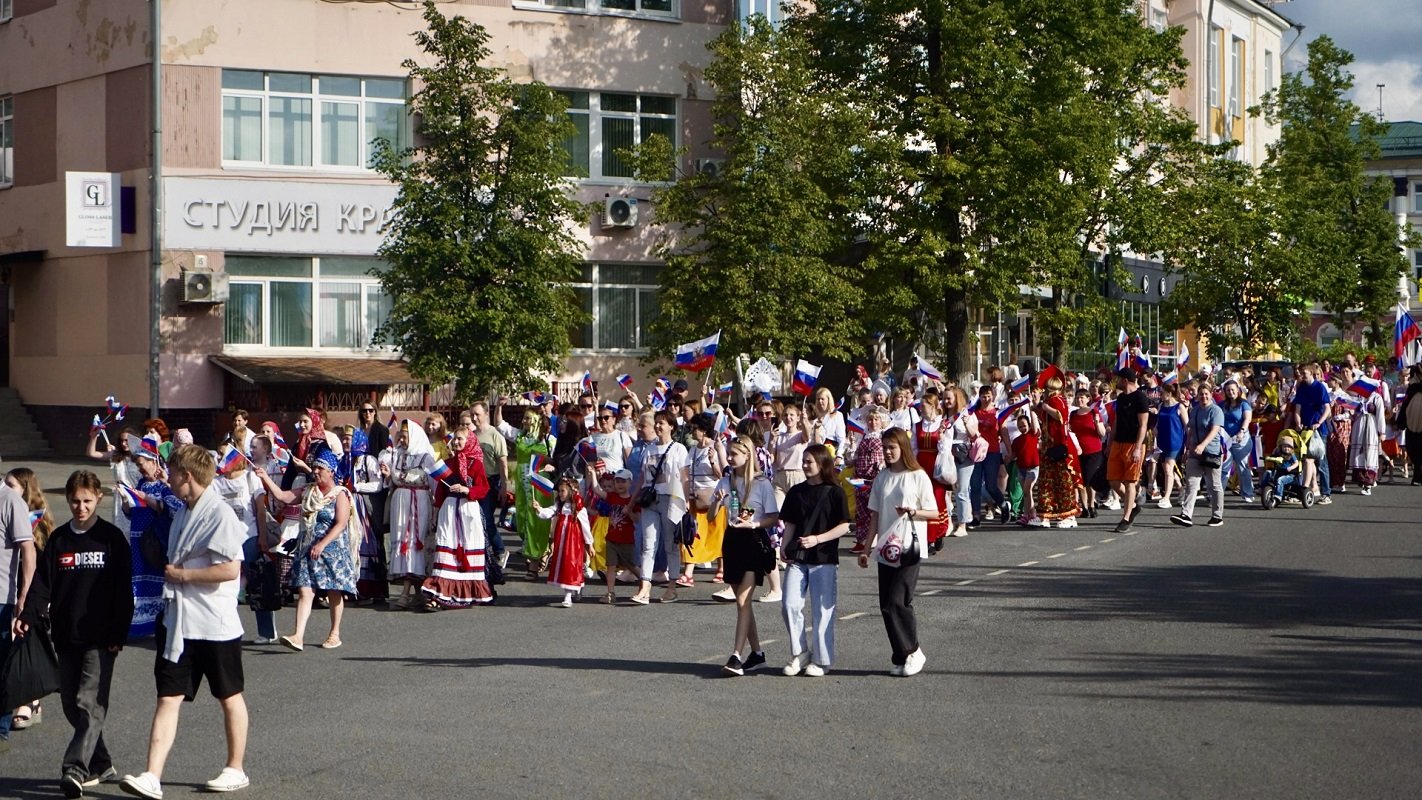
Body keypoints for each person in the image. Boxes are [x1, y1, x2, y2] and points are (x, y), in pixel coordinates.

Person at [120, 446, 250, 798]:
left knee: (229, 695)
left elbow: (231, 569)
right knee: (168, 696)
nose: (168, 477)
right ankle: (152, 775)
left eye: (172, 473)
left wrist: (182, 575)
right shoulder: (183, 513)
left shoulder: (219, 514)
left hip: (215, 624)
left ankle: (235, 768)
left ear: (186, 476)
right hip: (178, 621)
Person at [15, 471, 128, 796]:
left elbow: (123, 591)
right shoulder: (61, 539)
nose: (81, 507)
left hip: (101, 636)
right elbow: (43, 583)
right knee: (69, 704)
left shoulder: (111, 539)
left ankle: (74, 768)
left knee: (88, 701)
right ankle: (101, 762)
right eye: (75, 502)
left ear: (98, 499)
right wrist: (29, 614)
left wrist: (118, 631)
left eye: (87, 501)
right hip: (66, 634)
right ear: (68, 500)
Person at [258, 449, 358, 650]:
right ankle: (298, 635)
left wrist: (323, 544)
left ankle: (334, 633)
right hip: (307, 547)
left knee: (333, 591)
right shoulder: (308, 490)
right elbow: (284, 497)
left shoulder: (340, 494)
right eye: (314, 468)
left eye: (320, 468)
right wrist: (265, 478)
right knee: (305, 590)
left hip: (332, 550)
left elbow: (340, 524)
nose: (316, 471)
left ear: (331, 471)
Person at [859, 427, 936, 677]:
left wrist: (913, 512)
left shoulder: (917, 476)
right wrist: (866, 547)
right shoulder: (882, 477)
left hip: (909, 547)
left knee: (898, 601)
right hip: (886, 548)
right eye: (885, 448)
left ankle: (914, 650)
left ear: (902, 447)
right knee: (885, 605)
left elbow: (933, 512)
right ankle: (902, 654)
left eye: (892, 447)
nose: (888, 452)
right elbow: (875, 515)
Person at [709, 437, 780, 676]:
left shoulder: (761, 484)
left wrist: (754, 523)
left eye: (734, 454)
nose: (729, 458)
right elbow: (710, 517)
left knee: (742, 601)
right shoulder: (724, 481)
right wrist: (716, 504)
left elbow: (773, 517)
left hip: (753, 540)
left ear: (747, 455)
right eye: (728, 453)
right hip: (732, 541)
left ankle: (736, 656)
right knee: (744, 604)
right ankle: (757, 653)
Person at [779, 444, 849, 677]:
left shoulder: (835, 492)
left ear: (822, 464)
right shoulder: (796, 491)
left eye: (810, 461)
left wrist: (818, 539)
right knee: (789, 605)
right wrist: (783, 546)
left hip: (824, 559)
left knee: (822, 610)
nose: (805, 465)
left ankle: (822, 659)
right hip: (798, 557)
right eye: (804, 461)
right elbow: (789, 523)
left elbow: (844, 526)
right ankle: (800, 652)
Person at [419, 426, 495, 610]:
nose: (457, 442)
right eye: (455, 439)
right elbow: (441, 490)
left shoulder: (475, 464)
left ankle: (468, 591)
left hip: (468, 509)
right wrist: (436, 512)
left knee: (468, 544)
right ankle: (440, 593)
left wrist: (467, 490)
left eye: (461, 439)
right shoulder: (448, 463)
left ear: (469, 441)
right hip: (450, 509)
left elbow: (483, 488)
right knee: (446, 544)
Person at [121, 434, 184, 640]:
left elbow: (170, 508)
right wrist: (126, 501)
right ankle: (139, 621)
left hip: (156, 540)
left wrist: (145, 499)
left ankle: (157, 619)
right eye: (138, 464)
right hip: (138, 539)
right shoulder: (140, 482)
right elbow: (131, 512)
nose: (139, 468)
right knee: (137, 577)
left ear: (152, 461)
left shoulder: (163, 483)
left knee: (155, 576)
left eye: (142, 464)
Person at [212, 445, 275, 645]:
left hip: (249, 537)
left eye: (223, 454)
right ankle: (228, 631)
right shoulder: (215, 483)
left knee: (257, 584)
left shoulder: (250, 478)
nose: (220, 458)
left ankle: (266, 631)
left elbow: (260, 510)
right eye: (219, 454)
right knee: (226, 588)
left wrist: (263, 537)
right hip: (226, 541)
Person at [629, 410, 691, 605]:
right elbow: (641, 478)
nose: (658, 426)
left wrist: (686, 501)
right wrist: (632, 501)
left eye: (662, 423)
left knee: (670, 544)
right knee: (648, 544)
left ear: (671, 426)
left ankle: (671, 587)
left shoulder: (679, 449)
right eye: (656, 423)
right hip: (650, 500)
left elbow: (684, 477)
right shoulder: (649, 449)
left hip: (671, 499)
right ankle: (645, 587)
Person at [380, 420, 436, 608]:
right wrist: (389, 475)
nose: (402, 440)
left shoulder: (426, 457)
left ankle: (405, 594)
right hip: (400, 502)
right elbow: (394, 480)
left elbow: (434, 484)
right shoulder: (399, 455)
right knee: (402, 541)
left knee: (414, 542)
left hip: (418, 501)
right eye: (401, 436)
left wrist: (436, 509)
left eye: (405, 436)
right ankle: (418, 593)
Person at [1171, 382, 1226, 528]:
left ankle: (1217, 515)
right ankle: (1186, 514)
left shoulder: (1216, 411)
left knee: (1214, 485)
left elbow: (1215, 430)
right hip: (1195, 452)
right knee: (1191, 483)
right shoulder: (1194, 410)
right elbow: (1190, 430)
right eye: (1201, 394)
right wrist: (1187, 449)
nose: (1204, 397)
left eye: (1206, 394)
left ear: (1211, 394)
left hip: (1212, 452)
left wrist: (1203, 445)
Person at [1034, 375, 1082, 527]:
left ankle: (1069, 515)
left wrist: (1045, 407)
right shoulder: (1050, 401)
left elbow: (1060, 416)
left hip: (1060, 448)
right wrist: (1037, 407)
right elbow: (1046, 420)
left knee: (1063, 482)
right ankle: (1045, 515)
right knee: (1047, 482)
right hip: (1049, 447)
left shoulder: (1057, 400)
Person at [512, 410, 555, 578]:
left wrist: (549, 465)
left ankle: (534, 562)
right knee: (522, 521)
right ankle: (542, 550)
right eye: (524, 418)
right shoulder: (521, 437)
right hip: (522, 484)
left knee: (536, 521)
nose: (525, 421)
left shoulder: (549, 440)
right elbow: (502, 426)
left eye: (529, 418)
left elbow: (556, 460)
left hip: (539, 483)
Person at [1107, 368, 1150, 533]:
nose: (1116, 381)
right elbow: (1117, 421)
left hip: (1134, 444)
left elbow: (1143, 425)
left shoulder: (1141, 398)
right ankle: (1132, 504)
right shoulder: (1121, 397)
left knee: (1130, 481)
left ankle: (1126, 517)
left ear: (1125, 380)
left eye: (1118, 378)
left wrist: (1138, 448)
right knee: (1113, 481)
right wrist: (1111, 442)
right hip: (1119, 443)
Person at [539, 477, 592, 607]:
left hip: (573, 543)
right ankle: (574, 589)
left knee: (571, 565)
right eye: (559, 491)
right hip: (561, 541)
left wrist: (589, 544)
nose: (560, 493)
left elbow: (585, 527)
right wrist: (539, 509)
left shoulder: (579, 508)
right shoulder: (559, 506)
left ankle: (569, 595)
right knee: (564, 565)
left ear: (571, 491)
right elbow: (549, 512)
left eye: (562, 491)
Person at [470, 402, 510, 570]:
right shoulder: (471, 435)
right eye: (472, 414)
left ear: (486, 414)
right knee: (474, 518)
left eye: (477, 414)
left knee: (486, 518)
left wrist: (504, 486)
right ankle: (480, 552)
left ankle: (500, 550)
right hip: (473, 482)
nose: (474, 418)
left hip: (490, 481)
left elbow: (503, 463)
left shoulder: (495, 435)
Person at [1288, 364, 1333, 504]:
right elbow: (1297, 408)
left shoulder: (1319, 387)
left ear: (1312, 374)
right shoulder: (1301, 388)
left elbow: (1327, 407)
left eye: (1305, 373)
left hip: (1318, 429)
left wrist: (1319, 422)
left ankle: (1326, 493)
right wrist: (1298, 422)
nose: (1302, 376)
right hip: (1305, 428)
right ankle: (1299, 491)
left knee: (1321, 460)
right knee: (1301, 459)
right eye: (1301, 373)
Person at [969, 384, 1009, 528]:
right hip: (977, 453)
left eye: (988, 396)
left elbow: (1004, 432)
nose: (986, 399)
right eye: (983, 396)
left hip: (992, 452)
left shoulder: (997, 412)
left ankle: (1004, 506)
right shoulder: (974, 412)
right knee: (975, 485)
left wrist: (1009, 451)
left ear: (993, 396)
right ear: (979, 397)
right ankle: (976, 516)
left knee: (991, 485)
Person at [850, 406, 888, 553]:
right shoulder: (862, 437)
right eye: (870, 419)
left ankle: (878, 540)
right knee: (861, 512)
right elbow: (854, 457)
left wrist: (883, 465)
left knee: (875, 510)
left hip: (875, 478)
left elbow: (887, 454)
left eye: (876, 419)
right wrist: (852, 449)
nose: (873, 422)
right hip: (860, 478)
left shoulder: (883, 436)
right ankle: (861, 540)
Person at [1219, 381, 1255, 504]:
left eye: (1233, 389)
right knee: (1223, 467)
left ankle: (1247, 493)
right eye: (1228, 390)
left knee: (1242, 467)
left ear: (1238, 390)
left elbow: (1247, 418)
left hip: (1241, 439)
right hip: (1226, 440)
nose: (1231, 392)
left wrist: (1242, 431)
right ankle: (1217, 494)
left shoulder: (1243, 404)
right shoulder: (1222, 404)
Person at [1154, 384, 1188, 508]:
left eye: (1162, 393)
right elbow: (1158, 422)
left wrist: (1187, 444)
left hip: (1175, 441)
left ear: (1168, 394)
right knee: (1168, 469)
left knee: (1168, 468)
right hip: (1162, 441)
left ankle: (1166, 498)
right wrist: (1155, 429)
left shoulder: (1180, 407)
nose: (1160, 395)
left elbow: (1186, 426)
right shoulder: (1161, 406)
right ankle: (1181, 489)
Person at [1348, 385, 1387, 495]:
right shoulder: (1358, 398)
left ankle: (1368, 482)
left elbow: (1380, 416)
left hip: (1371, 425)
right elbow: (1353, 412)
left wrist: (1381, 432)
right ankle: (1361, 478)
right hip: (1359, 425)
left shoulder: (1376, 398)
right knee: (1359, 453)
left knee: (1369, 454)